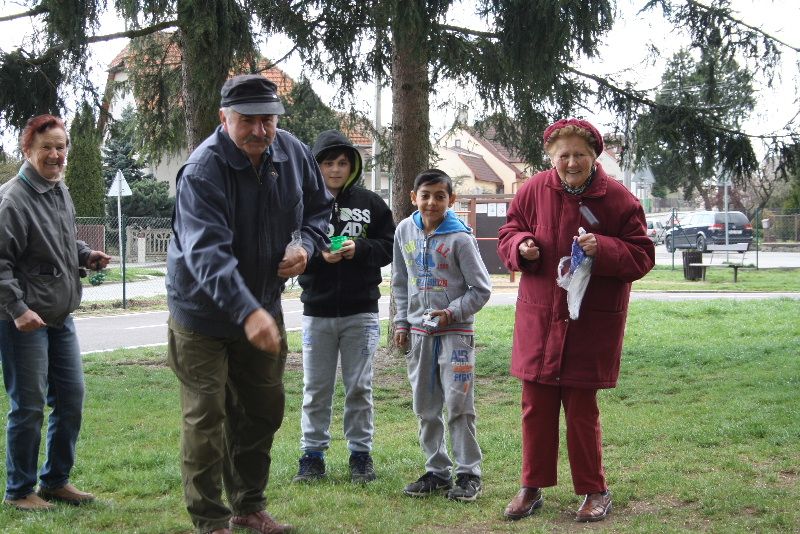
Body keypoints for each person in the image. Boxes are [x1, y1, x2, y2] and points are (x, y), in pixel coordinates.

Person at [166, 75, 332, 534]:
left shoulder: (293, 153)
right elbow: (207, 254)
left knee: (262, 409)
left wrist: (305, 245)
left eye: (268, 119)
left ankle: (248, 505)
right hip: (202, 315)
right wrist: (247, 312)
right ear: (224, 118)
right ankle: (210, 520)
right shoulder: (203, 171)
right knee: (206, 417)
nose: (260, 130)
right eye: (248, 120)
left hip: (262, 305)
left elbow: (319, 210)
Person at [497, 118, 655, 523]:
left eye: (579, 155)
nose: (571, 162)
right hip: (541, 318)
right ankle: (531, 487)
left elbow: (642, 256)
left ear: (594, 156)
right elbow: (508, 232)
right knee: (535, 406)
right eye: (563, 155)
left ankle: (594, 489)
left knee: (582, 410)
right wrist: (522, 247)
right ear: (551, 156)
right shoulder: (533, 190)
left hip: (589, 322)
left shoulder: (619, 199)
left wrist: (603, 247)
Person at [0, 114, 111, 511]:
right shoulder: (12, 200)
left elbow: (60, 243)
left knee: (70, 399)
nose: (55, 154)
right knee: (29, 406)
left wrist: (85, 255)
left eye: (61, 147)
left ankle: (55, 481)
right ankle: (19, 491)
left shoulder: (58, 189)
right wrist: (17, 309)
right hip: (23, 322)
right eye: (46, 147)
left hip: (60, 317)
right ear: (28, 150)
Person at [292, 130, 395, 484]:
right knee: (315, 389)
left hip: (361, 311)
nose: (335, 170)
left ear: (352, 167)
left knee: (359, 387)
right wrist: (318, 257)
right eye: (327, 163)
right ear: (315, 166)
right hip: (317, 311)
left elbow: (389, 246)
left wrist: (360, 249)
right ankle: (312, 456)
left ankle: (360, 456)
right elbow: (291, 251)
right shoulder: (302, 205)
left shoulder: (371, 203)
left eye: (342, 163)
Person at [392, 169, 492, 502]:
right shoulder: (404, 230)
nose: (431, 202)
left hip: (456, 336)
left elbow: (481, 289)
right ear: (413, 197)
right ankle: (437, 471)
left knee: (459, 404)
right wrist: (401, 322)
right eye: (425, 196)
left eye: (440, 196)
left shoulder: (461, 238)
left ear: (452, 200)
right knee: (425, 405)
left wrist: (451, 312)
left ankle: (468, 473)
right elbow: (400, 281)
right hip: (419, 335)